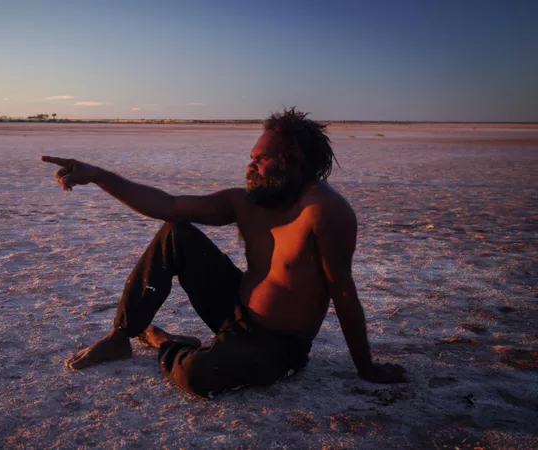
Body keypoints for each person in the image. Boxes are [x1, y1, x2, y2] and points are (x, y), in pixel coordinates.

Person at [41, 107, 406, 398]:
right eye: (252, 157)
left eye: (261, 160)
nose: (250, 166)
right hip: (235, 311)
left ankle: (165, 341)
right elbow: (167, 205)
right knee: (176, 233)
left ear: (292, 161)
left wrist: (366, 367)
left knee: (197, 375)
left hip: (277, 345)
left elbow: (342, 290)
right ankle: (121, 337)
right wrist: (98, 175)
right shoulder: (247, 202)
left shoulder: (324, 212)